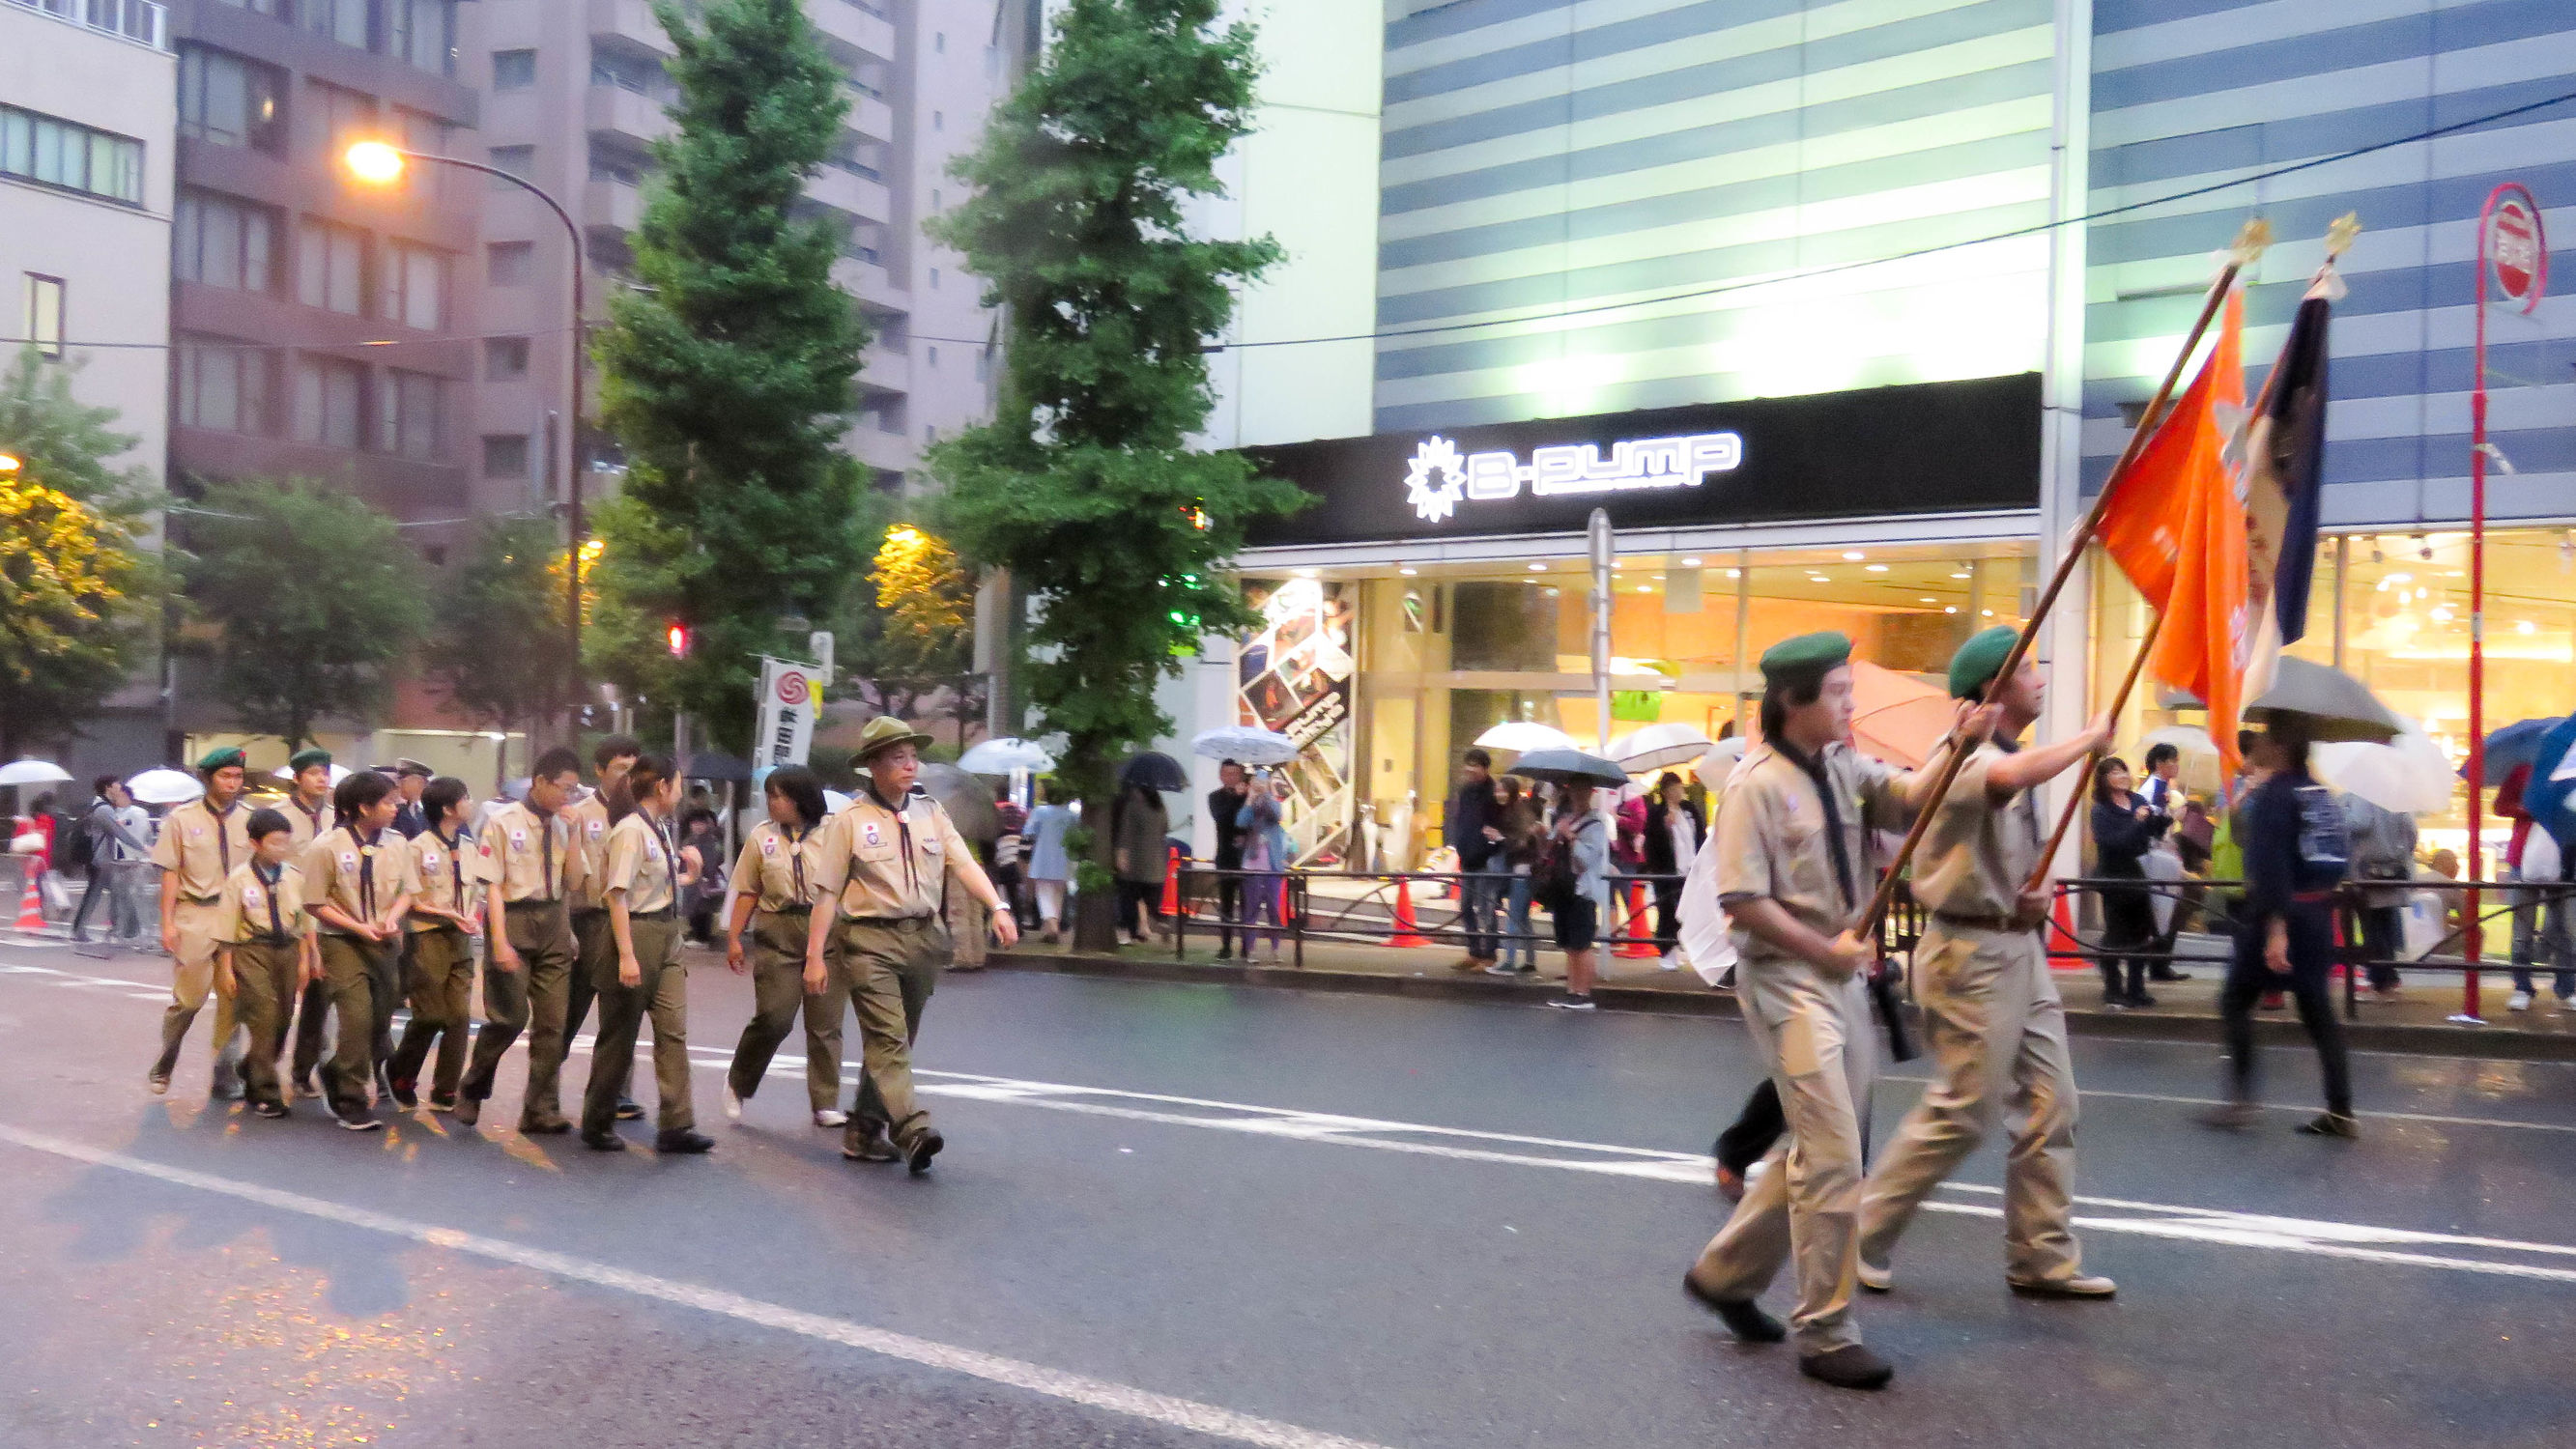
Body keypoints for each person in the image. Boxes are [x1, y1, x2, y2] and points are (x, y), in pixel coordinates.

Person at [1680, 632, 1953, 1392]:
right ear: (1793, 701)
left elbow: (1906, 796)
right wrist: (1825, 949)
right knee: (1833, 1153)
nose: (1849, 703)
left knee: (1824, 1148)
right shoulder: (1754, 785)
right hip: (1787, 981)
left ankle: (1725, 1275)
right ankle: (1827, 1332)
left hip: (1842, 980)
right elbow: (1742, 902)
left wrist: (1954, 747)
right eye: (1836, 691)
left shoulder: (1841, 765)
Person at [1854, 626, 2116, 1303]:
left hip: (2013, 947)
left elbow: (2006, 845)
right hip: (1969, 955)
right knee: (1963, 1110)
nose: (2040, 680)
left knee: (2052, 1102)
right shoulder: (1966, 755)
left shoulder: (2007, 750)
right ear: (1992, 691)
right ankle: (1860, 1233)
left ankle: (2041, 1257)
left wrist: (2034, 895)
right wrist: (2088, 742)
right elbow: (2004, 781)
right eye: (2027, 671)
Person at [805, 716, 1019, 1173]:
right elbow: (826, 893)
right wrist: (814, 958)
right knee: (888, 1041)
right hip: (868, 942)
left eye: (912, 757)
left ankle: (863, 1129)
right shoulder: (850, 821)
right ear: (873, 767)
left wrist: (998, 907)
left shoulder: (930, 812)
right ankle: (913, 1129)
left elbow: (963, 864)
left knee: (897, 1042)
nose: (909, 765)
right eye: (898, 758)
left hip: (922, 940)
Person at [2203, 721, 2358, 1138]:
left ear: (2283, 746)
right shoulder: (2321, 795)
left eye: (2268, 736)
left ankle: (2241, 1100)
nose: (2259, 743)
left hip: (2280, 916)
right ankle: (2340, 1109)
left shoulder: (2277, 794)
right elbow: (2337, 858)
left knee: (2235, 1000)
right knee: (2318, 1011)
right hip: (2318, 912)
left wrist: (2276, 929)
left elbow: (2270, 866)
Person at [579, 753, 713, 1154]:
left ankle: (677, 1124)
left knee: (673, 1031)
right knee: (619, 1035)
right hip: (634, 933)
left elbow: (656, 881)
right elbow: (617, 895)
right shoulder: (630, 831)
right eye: (677, 782)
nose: (681, 791)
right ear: (661, 786)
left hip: (667, 932)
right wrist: (626, 956)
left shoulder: (661, 830)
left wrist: (688, 875)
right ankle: (597, 1121)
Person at [456, 747, 583, 1132]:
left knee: (553, 1025)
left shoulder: (564, 824)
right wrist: (499, 942)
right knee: (509, 1019)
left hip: (554, 923)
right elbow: (492, 885)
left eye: (574, 790)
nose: (568, 796)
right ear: (541, 782)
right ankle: (474, 1084)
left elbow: (574, 883)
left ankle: (540, 1109)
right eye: (564, 788)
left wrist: (575, 831)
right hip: (512, 920)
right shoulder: (502, 821)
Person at [722, 764, 846, 1129]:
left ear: (800, 798)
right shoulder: (762, 837)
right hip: (778, 928)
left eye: (778, 796)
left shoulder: (834, 833)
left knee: (826, 1024)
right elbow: (748, 889)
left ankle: (825, 1102)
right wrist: (734, 937)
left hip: (826, 929)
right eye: (769, 795)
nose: (771, 803)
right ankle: (738, 1082)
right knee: (774, 1017)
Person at [299, 769, 417, 1130]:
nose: (395, 807)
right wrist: (358, 926)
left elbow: (408, 891)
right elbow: (315, 903)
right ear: (364, 808)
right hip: (342, 942)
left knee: (380, 1020)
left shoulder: (397, 843)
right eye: (388, 802)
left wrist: (392, 919)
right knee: (357, 1017)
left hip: (384, 942)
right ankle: (351, 1097)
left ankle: (335, 1070)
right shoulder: (326, 847)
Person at [148, 747, 258, 1100]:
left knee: (233, 1000)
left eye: (238, 776)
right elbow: (170, 873)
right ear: (208, 778)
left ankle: (225, 1076)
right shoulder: (182, 819)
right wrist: (167, 923)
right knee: (189, 1001)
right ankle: (165, 1061)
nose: (232, 783)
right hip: (195, 915)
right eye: (225, 776)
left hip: (239, 919)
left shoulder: (251, 819)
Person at [211, 808, 318, 1121]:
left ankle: (251, 1066)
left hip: (287, 950)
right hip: (251, 951)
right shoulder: (239, 879)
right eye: (274, 843)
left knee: (284, 1018)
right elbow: (227, 925)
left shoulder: (294, 877)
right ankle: (265, 1092)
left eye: (285, 843)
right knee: (264, 1016)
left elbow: (305, 921)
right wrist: (227, 967)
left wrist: (307, 958)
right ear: (256, 844)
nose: (281, 849)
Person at [386, 777, 480, 1113]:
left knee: (459, 1016)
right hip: (427, 937)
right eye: (466, 798)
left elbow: (474, 893)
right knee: (430, 1014)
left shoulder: (468, 846)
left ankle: (445, 1090)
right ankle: (401, 1073)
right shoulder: (418, 847)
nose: (471, 803)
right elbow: (408, 897)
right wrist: (449, 913)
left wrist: (469, 916)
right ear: (448, 808)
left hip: (460, 940)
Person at [563, 736, 644, 1123]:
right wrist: (566, 929)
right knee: (567, 1012)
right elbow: (563, 878)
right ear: (600, 770)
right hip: (588, 918)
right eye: (622, 769)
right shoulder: (578, 813)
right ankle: (542, 1089)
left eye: (635, 769)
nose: (630, 778)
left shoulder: (646, 818)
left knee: (623, 1012)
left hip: (629, 921)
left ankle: (619, 1093)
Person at [277, 748, 340, 1098]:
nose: (321, 779)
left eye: (325, 773)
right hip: (287, 917)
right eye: (314, 773)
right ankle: (260, 1068)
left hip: (325, 916)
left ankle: (303, 1070)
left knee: (320, 998)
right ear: (297, 777)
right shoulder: (278, 817)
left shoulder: (337, 817)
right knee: (282, 1001)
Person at [2091, 756, 2170, 1008]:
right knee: (2116, 934)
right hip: (2113, 874)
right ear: (2104, 779)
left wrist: (2163, 817)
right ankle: (2113, 987)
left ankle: (2137, 988)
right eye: (2115, 772)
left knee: (2141, 931)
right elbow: (2113, 843)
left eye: (2124, 771)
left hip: (2137, 871)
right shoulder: (2101, 810)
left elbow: (2151, 834)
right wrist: (2136, 823)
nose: (2122, 776)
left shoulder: (2138, 800)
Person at [2338, 789, 2417, 1000]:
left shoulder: (2362, 793)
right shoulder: (2397, 795)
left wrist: (2340, 812)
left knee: (2371, 927)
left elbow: (2360, 823)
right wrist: (2402, 853)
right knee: (2386, 925)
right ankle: (2388, 976)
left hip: (2366, 869)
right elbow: (2411, 831)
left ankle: (2380, 981)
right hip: (2392, 868)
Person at [1541, 777, 1611, 1009]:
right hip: (1563, 887)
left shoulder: (1597, 824)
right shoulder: (1565, 819)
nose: (1577, 796)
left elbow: (1587, 858)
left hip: (1583, 888)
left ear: (1590, 793)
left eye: (1583, 791)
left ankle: (1583, 993)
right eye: (1574, 791)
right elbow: (1548, 847)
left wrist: (1570, 837)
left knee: (1582, 944)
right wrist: (1554, 833)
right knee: (1569, 945)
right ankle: (1572, 990)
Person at [70, 776, 150, 943]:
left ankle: (127, 929)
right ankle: (82, 930)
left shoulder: (99, 806)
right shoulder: (103, 809)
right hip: (101, 861)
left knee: (116, 892)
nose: (119, 787)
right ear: (108, 787)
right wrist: (142, 847)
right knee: (101, 894)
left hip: (102, 860)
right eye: (116, 784)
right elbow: (118, 832)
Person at [1643, 771, 1704, 973]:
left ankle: (1685, 950)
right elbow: (1652, 842)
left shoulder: (1689, 809)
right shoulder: (1656, 813)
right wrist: (1665, 828)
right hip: (1668, 869)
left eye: (1680, 787)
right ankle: (1667, 952)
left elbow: (1699, 835)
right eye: (1674, 788)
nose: (1679, 792)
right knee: (1668, 910)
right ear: (1665, 791)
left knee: (1691, 911)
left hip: (1691, 867)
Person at [1445, 748, 1502, 972]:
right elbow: (1460, 820)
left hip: (1486, 858)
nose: (1470, 769)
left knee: (1487, 908)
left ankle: (1490, 955)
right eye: (1468, 764)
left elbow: (1498, 825)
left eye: (1475, 765)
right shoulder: (1466, 791)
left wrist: (1491, 845)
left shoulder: (1494, 792)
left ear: (1485, 769)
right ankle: (1473, 951)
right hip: (1467, 857)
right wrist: (1458, 844)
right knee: (1466, 906)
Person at [1486, 776, 1541, 976]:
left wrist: (1500, 837)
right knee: (1523, 917)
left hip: (1522, 869)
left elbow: (1523, 841)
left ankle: (1509, 961)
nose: (1499, 794)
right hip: (1523, 869)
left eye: (1502, 790)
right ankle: (1529, 960)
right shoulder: (1516, 810)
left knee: (1515, 915)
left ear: (1511, 791)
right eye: (1497, 790)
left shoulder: (1518, 811)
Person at [1235, 774, 1294, 962]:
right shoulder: (1251, 804)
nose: (1259, 786)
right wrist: (1250, 798)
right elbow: (1241, 822)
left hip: (1272, 865)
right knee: (1251, 909)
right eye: (1256, 782)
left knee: (1273, 909)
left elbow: (1277, 815)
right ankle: (1250, 950)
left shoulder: (1271, 802)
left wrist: (1267, 794)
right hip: (1251, 864)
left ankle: (1275, 949)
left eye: (1262, 782)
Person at [1108, 779, 1169, 943]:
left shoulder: (1132, 806)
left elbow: (1125, 833)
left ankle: (1127, 932)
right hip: (1156, 864)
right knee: (1148, 901)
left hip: (1135, 864)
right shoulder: (1160, 807)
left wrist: (1120, 855)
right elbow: (1165, 828)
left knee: (1128, 898)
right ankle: (1154, 923)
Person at [1207, 760, 1251, 959]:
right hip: (1225, 856)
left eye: (1235, 774)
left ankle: (1245, 945)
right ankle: (1225, 945)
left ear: (1241, 775)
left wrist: (1247, 798)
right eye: (1227, 774)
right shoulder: (1215, 797)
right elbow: (1223, 819)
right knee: (1226, 903)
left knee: (1246, 903)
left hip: (1245, 856)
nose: (1231, 778)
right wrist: (1237, 799)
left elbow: (1249, 822)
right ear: (1221, 775)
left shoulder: (1249, 796)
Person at [1023, 781, 1075, 943]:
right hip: (1065, 859)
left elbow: (1028, 831)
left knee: (1043, 893)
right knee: (1058, 894)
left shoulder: (1040, 812)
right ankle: (1051, 929)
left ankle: (1052, 925)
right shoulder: (1071, 815)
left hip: (1043, 858)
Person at [679, 809, 726, 945]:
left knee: (703, 909)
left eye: (701, 824)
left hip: (704, 880)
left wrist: (705, 874)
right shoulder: (689, 840)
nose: (697, 826)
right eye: (695, 824)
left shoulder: (711, 841)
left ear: (706, 825)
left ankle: (702, 938)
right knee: (693, 909)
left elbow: (715, 859)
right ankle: (696, 935)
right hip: (691, 881)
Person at [389, 759, 433, 838]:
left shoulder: (429, 811)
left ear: (419, 782)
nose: (399, 785)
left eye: (403, 781)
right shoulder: (396, 811)